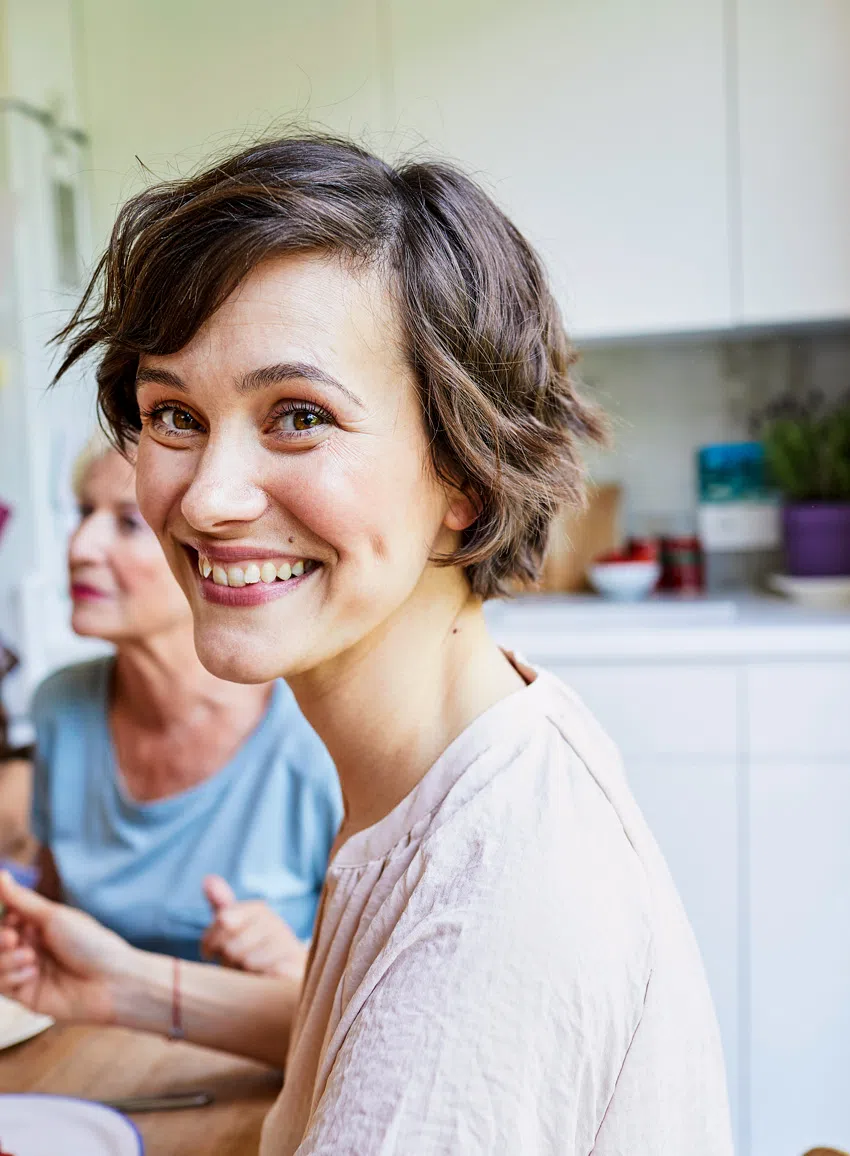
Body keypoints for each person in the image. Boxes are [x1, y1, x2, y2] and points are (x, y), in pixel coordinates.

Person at [0, 135, 734, 1155]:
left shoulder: (491, 906)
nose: (206, 498)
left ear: (464, 471)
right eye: (174, 413)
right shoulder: (460, 759)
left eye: (298, 416)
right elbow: (364, 1036)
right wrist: (126, 981)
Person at [26, 434, 341, 970]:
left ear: (207, 553)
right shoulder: (60, 706)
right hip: (91, 1046)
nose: (79, 546)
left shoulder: (316, 734)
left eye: (127, 523)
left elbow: (372, 980)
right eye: (83, 513)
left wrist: (297, 963)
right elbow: (50, 915)